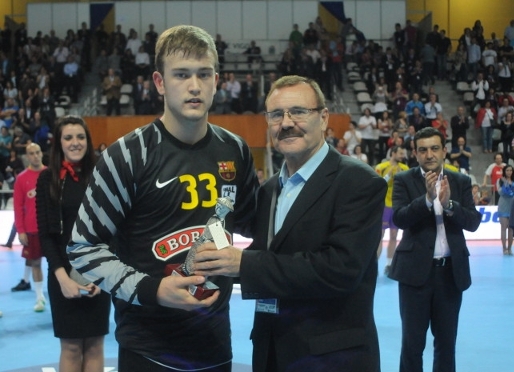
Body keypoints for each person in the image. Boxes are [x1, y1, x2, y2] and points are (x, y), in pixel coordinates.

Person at [67, 25, 259, 372]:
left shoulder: (236, 150)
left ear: (217, 80)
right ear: (159, 82)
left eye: (203, 75)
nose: (194, 86)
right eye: (181, 75)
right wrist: (152, 289)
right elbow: (82, 247)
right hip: (148, 349)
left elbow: (254, 227)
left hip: (216, 347)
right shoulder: (126, 155)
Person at [194, 74, 387, 372]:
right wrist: (207, 267)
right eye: (276, 115)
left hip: (333, 359)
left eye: (298, 111)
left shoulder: (359, 182)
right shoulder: (270, 189)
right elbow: (268, 256)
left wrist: (243, 264)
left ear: (323, 118)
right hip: (272, 351)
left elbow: (340, 270)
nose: (286, 123)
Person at [388, 127, 482, 372]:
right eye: (422, 150)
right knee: (412, 344)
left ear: (444, 150)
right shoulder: (403, 180)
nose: (429, 154)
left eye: (434, 148)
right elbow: (398, 218)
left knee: (446, 344)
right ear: (415, 154)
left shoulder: (460, 181)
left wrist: (449, 204)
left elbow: (473, 222)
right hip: (413, 276)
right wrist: (427, 200)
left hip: (451, 275)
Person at [35, 115, 111, 371]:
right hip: (62, 275)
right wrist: (63, 278)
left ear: (88, 141)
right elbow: (46, 235)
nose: (75, 143)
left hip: (98, 273)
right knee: (70, 346)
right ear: (59, 143)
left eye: (80, 137)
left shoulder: (102, 175)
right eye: (68, 137)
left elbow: (112, 230)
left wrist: (104, 276)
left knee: (95, 344)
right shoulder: (48, 179)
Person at [10, 143, 46, 313]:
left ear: (41, 153)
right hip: (32, 229)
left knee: (57, 265)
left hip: (51, 228)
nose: (35, 156)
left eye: (37, 152)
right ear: (27, 156)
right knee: (36, 263)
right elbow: (18, 206)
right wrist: (21, 230)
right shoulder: (21, 179)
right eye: (31, 153)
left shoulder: (50, 174)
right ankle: (39, 297)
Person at [375, 146, 408, 275]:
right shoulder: (381, 167)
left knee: (394, 235)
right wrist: (389, 175)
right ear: (393, 153)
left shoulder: (405, 169)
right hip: (384, 206)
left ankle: (389, 265)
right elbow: (377, 185)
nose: (402, 155)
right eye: (400, 153)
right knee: (380, 236)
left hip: (396, 205)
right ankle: (374, 265)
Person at [497, 165, 514, 255]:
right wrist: (506, 185)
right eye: (507, 170)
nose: (509, 172)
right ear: (504, 171)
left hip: (512, 205)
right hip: (503, 205)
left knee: (511, 228)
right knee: (504, 227)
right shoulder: (500, 181)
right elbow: (500, 192)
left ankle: (510, 248)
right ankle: (504, 248)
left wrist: (508, 185)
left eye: (511, 170)